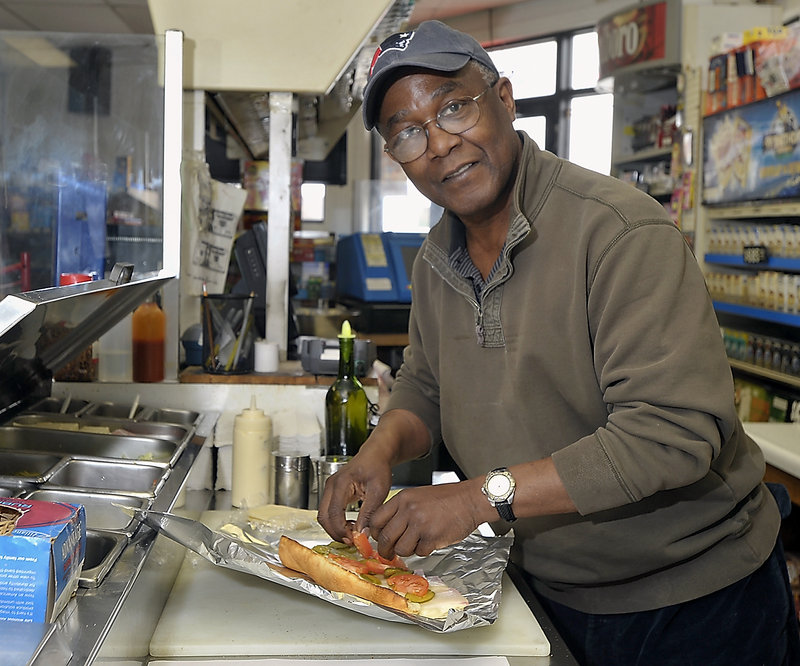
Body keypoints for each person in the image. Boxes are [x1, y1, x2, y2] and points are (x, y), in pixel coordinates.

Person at [317, 20, 800, 666]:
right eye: (407, 132)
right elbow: (425, 386)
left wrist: (475, 498)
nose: (437, 143)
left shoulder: (619, 233)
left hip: (696, 606)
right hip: (547, 595)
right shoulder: (434, 260)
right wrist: (377, 452)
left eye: (454, 107)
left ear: (506, 101)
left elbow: (673, 433)